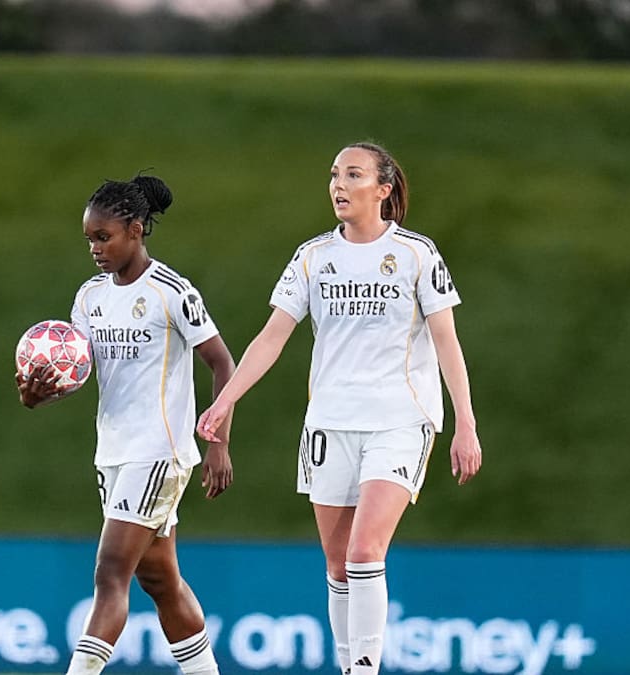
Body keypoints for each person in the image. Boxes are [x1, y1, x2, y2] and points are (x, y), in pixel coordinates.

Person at [196, 142, 483, 675]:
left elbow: (446, 340)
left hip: (399, 421)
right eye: (334, 174)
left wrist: (465, 422)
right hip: (329, 423)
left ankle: (366, 670)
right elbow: (272, 336)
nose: (338, 184)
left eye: (353, 174)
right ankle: (349, 666)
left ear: (384, 188)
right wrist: (224, 400)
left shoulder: (418, 254)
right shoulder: (313, 257)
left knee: (365, 550)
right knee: (337, 563)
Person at [17, 174, 236, 675]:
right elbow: (78, 368)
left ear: (136, 230)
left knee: (111, 571)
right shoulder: (90, 297)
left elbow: (222, 362)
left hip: (159, 451)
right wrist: (39, 394)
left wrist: (218, 442)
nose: (94, 248)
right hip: (113, 452)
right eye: (89, 238)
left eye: (104, 237)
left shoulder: (172, 292)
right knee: (159, 579)